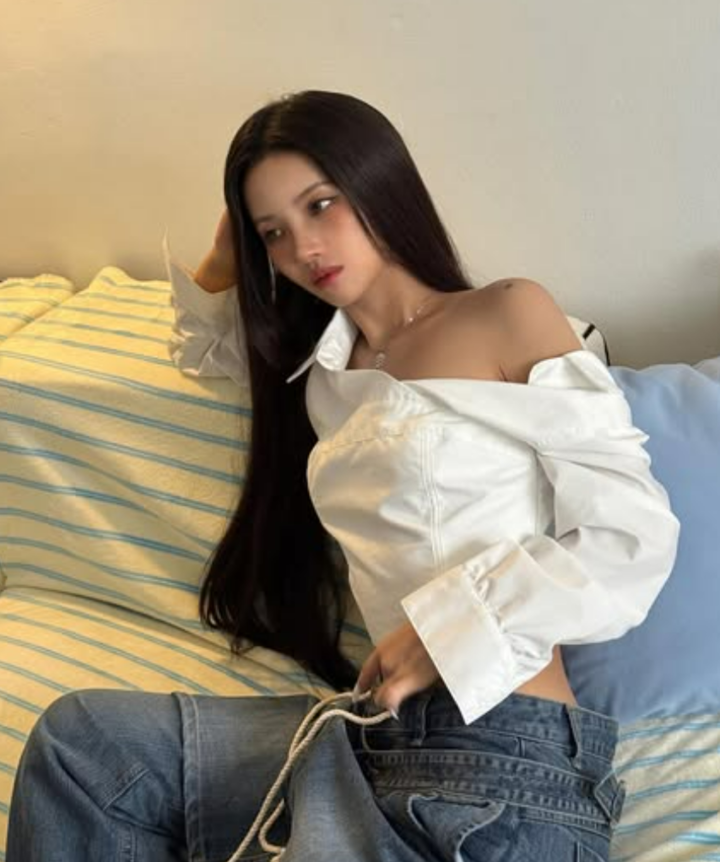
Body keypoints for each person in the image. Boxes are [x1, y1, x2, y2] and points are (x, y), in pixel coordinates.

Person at [7, 90, 680, 862]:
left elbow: (631, 537)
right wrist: (236, 244)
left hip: (504, 754)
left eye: (321, 204)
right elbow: (204, 344)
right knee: (84, 746)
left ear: (376, 182)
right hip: (365, 735)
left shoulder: (506, 313)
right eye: (276, 232)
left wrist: (450, 630)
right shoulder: (324, 370)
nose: (304, 248)